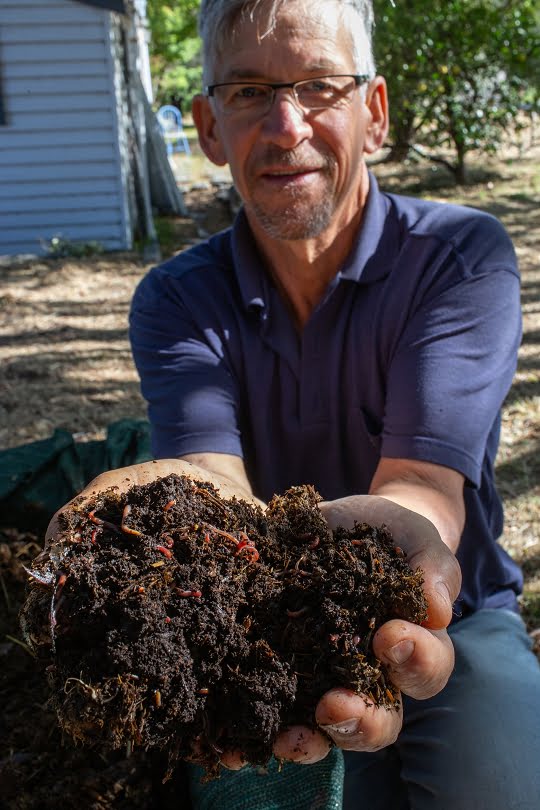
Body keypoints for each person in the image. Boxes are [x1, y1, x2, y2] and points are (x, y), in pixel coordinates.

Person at [48, 0, 540, 807]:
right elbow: (208, 478)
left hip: (458, 614)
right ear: (209, 127)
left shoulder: (459, 261)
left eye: (319, 86)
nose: (285, 124)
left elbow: (424, 482)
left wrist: (397, 568)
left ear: (373, 112)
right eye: (247, 91)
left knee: (505, 781)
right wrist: (157, 546)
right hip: (254, 634)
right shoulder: (176, 298)